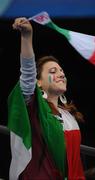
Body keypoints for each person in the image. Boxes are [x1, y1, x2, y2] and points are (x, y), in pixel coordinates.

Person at [8, 17, 85, 180]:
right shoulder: (34, 108)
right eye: (52, 72)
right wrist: (26, 38)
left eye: (61, 71)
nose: (61, 74)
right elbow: (28, 76)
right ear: (39, 83)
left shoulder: (69, 117)